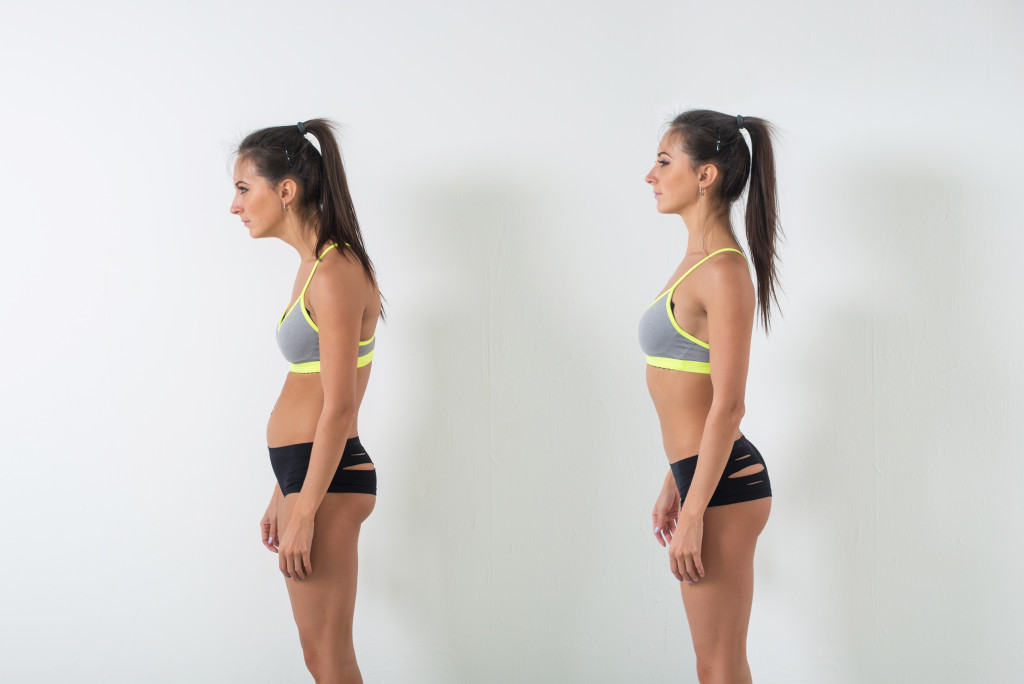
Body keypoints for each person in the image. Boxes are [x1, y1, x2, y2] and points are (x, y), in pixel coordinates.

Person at [230, 119, 382, 683]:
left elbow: (341, 406)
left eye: (245, 188)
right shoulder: (313, 265)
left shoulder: (336, 269)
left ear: (286, 189)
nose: (235, 205)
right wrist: (283, 491)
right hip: (308, 474)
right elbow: (316, 392)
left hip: (332, 480)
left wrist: (306, 508)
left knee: (328, 656)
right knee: (318, 655)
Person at [641, 109, 780, 684]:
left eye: (664, 161)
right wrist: (675, 481)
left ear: (706, 176)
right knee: (715, 665)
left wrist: (695, 507)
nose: (650, 175)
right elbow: (689, 391)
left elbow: (728, 404)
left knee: (718, 668)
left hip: (722, 487)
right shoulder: (696, 262)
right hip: (701, 475)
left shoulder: (723, 271)